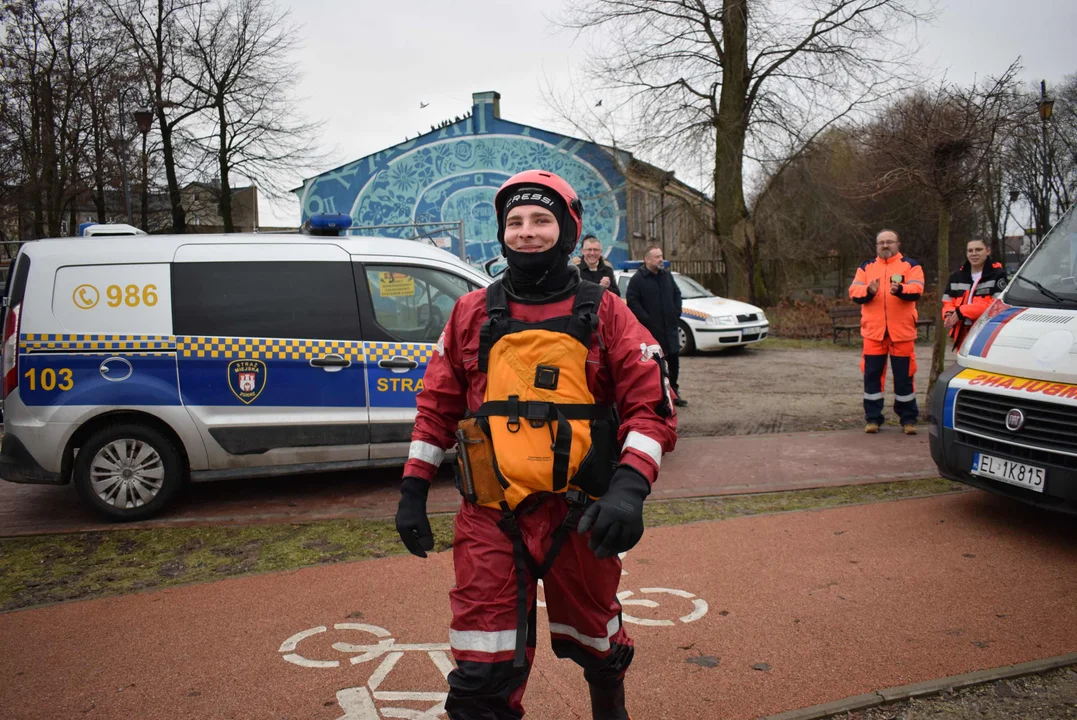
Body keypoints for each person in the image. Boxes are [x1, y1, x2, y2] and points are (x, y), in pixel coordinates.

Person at [394, 169, 678, 720]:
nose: (526, 232)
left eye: (541, 220)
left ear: (567, 232)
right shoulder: (471, 312)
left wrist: (628, 489)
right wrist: (412, 490)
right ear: (501, 233)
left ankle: (608, 706)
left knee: (598, 641)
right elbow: (436, 407)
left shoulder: (606, 311)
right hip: (490, 517)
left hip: (581, 515)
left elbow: (651, 406)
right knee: (482, 669)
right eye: (514, 222)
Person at [848, 229, 925, 435]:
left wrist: (900, 289)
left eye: (889, 242)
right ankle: (873, 419)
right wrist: (868, 291)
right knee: (872, 376)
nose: (885, 246)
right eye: (881, 242)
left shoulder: (911, 265)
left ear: (897, 244)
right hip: (874, 333)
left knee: (904, 377)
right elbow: (854, 292)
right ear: (876, 246)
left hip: (902, 333)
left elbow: (917, 289)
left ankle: (908, 420)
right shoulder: (866, 267)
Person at [626, 246, 687, 407]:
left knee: (673, 361)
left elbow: (677, 294)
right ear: (647, 259)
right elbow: (632, 302)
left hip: (670, 329)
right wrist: (647, 319)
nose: (661, 259)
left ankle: (674, 393)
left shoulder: (666, 275)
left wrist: (676, 312)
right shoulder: (638, 279)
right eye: (657, 257)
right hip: (652, 332)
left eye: (661, 256)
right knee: (656, 365)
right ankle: (658, 396)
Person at [942, 238, 1008, 351]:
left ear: (988, 251)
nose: (974, 254)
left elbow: (996, 305)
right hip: (961, 331)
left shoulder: (997, 274)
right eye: (970, 250)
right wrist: (949, 314)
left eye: (978, 250)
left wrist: (963, 311)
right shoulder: (956, 276)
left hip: (985, 330)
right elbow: (948, 300)